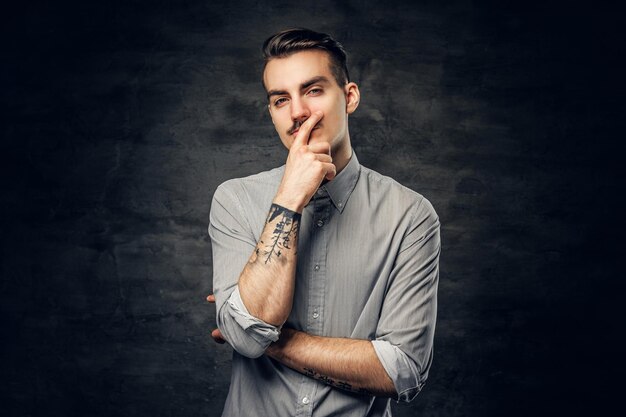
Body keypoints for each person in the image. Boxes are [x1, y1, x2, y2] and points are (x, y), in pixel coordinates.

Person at [207, 28, 440, 417]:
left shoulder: (410, 216)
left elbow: (402, 371)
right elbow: (248, 335)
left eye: (313, 90)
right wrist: (290, 198)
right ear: (271, 112)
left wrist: (269, 339)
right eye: (281, 99)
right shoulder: (235, 200)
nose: (297, 112)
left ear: (349, 97)